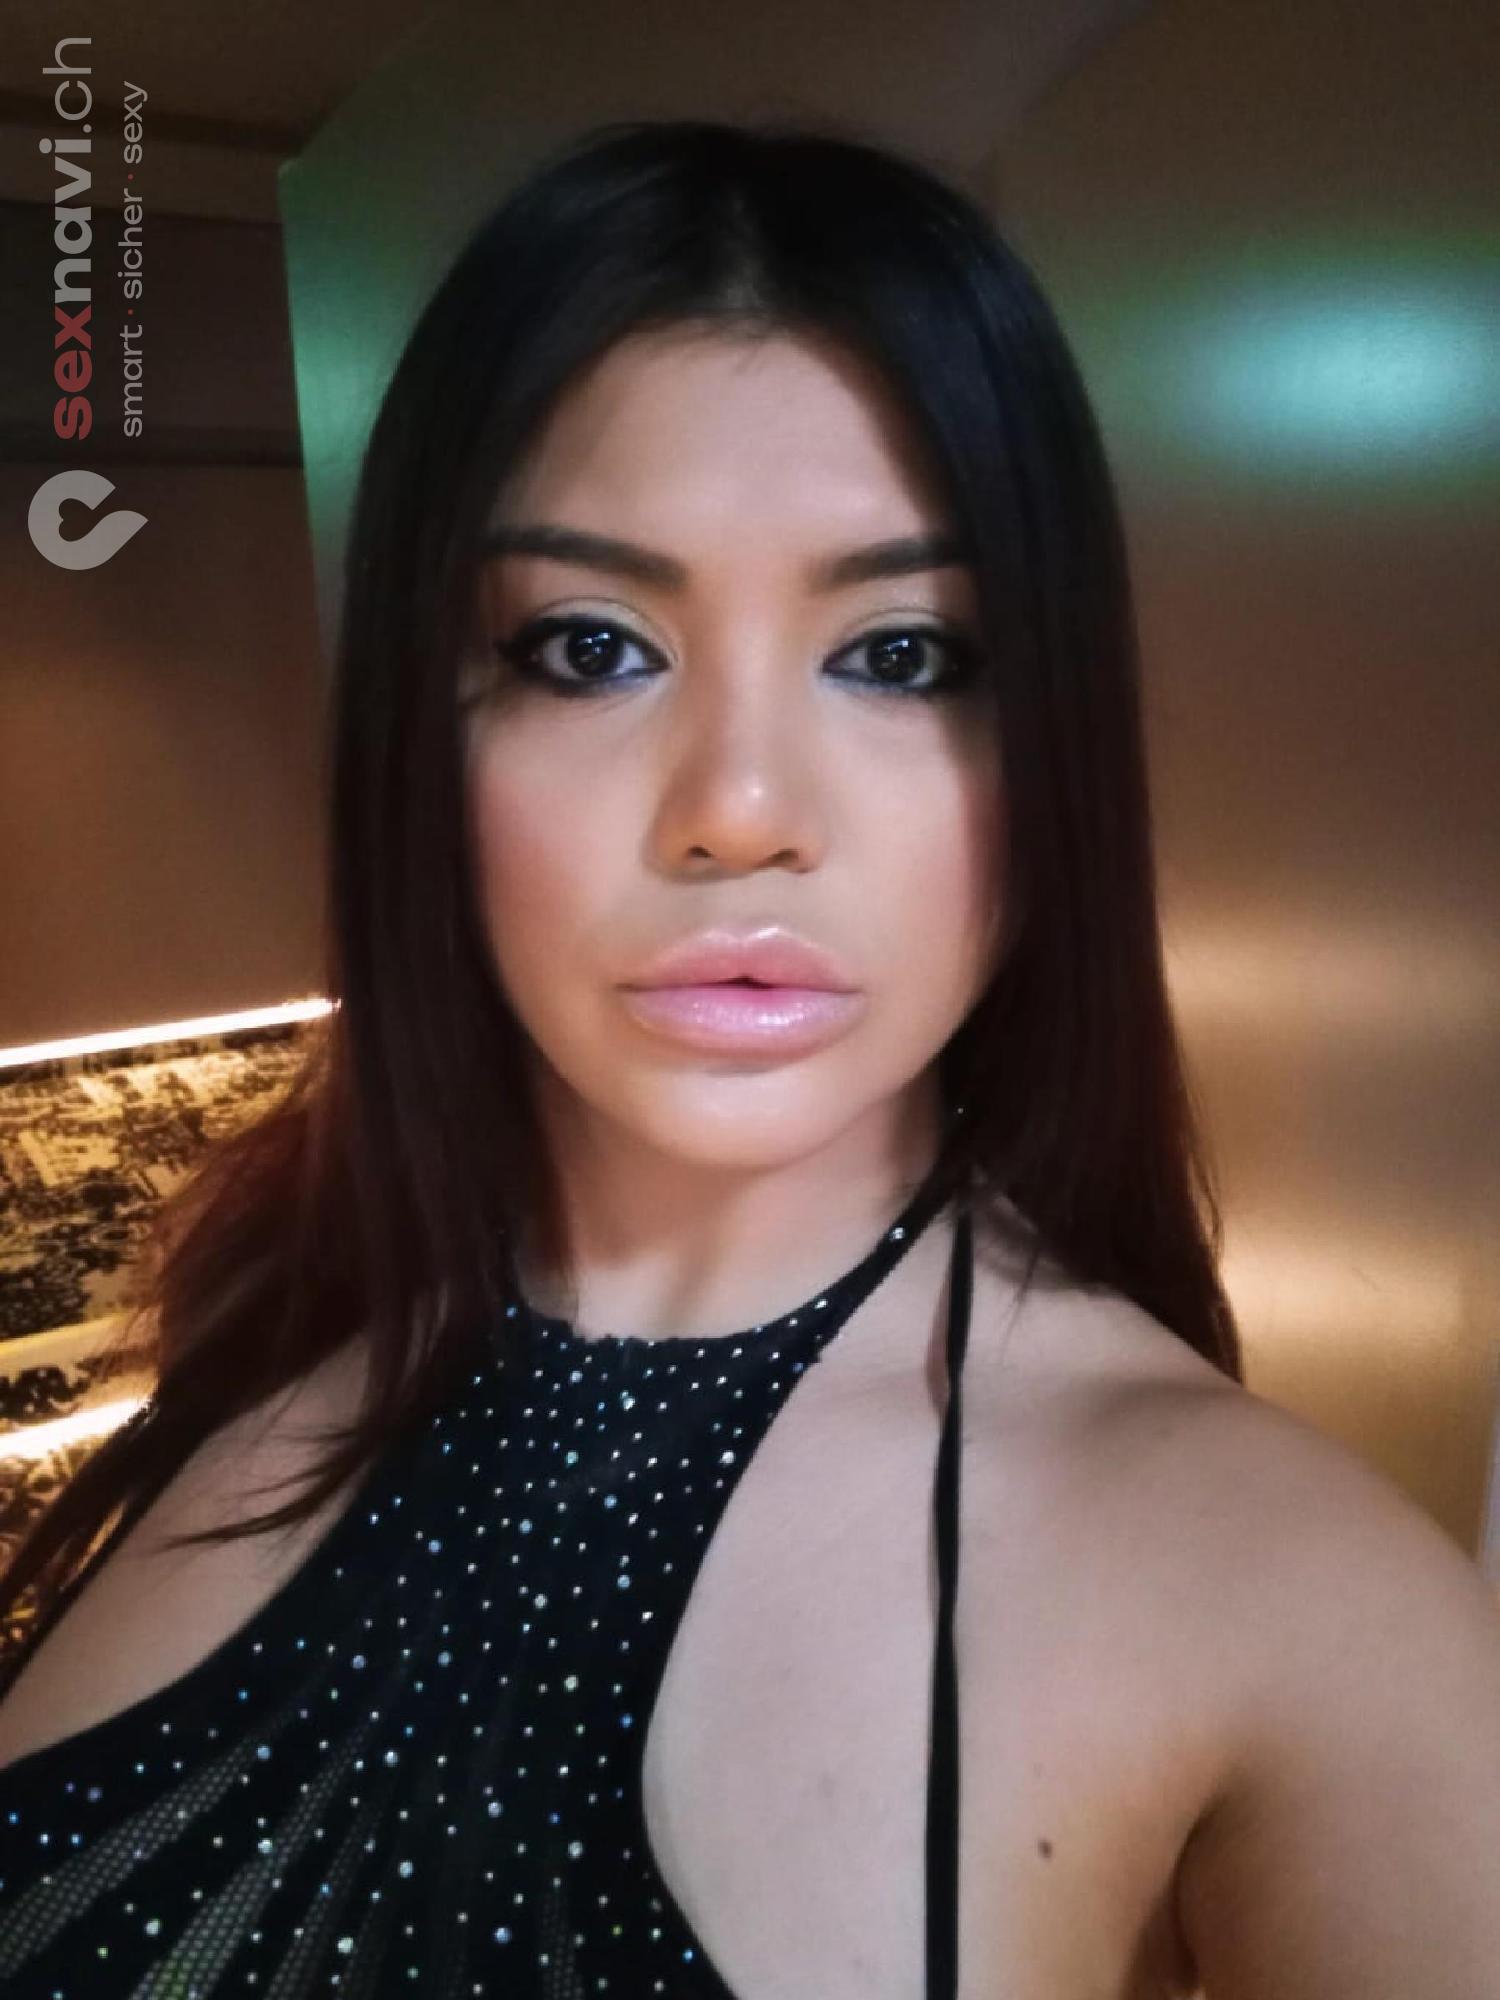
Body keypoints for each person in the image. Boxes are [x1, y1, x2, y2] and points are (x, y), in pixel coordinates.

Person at [0, 116, 1497, 2000]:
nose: (740, 810)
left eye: (904, 655)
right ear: (420, 738)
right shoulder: (266, 1328)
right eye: (589, 648)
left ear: (1055, 751)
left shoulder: (1296, 1599)